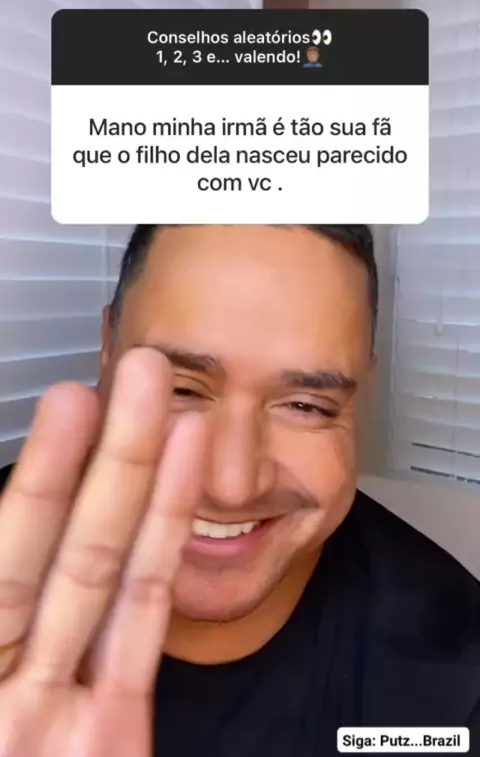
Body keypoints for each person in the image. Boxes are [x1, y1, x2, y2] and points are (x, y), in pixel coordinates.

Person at [0, 224, 478, 757]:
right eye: (182, 388)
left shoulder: (457, 673)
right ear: (108, 346)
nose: (232, 487)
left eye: (305, 405)